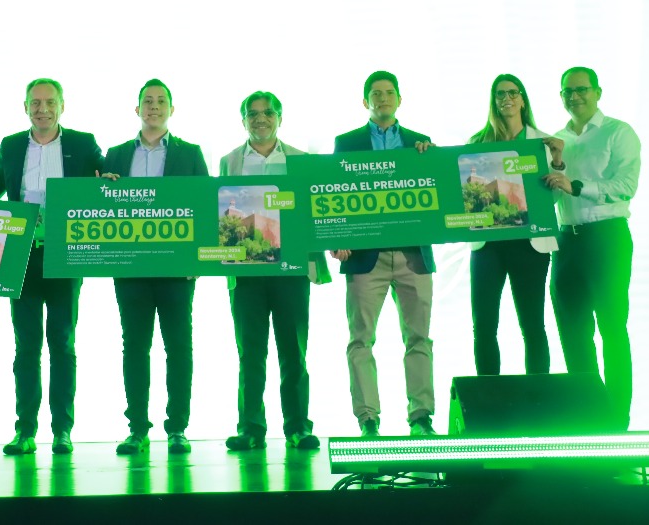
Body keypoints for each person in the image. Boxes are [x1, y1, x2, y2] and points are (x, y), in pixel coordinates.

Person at [0, 78, 104, 457]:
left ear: (62, 106)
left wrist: (109, 181)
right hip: (21, 257)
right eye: (35, 103)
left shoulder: (82, 144)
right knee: (26, 346)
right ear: (25, 107)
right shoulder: (10, 145)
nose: (42, 109)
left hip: (64, 255)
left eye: (49, 102)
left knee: (63, 343)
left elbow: (107, 181)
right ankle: (25, 430)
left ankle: (62, 430)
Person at [104, 79, 209, 455]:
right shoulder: (115, 155)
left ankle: (177, 427)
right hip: (129, 266)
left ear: (171, 109)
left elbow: (204, 205)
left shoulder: (191, 153)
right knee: (134, 346)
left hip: (177, 268)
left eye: (160, 101)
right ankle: (137, 428)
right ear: (137, 110)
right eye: (147, 101)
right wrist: (103, 188)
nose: (153, 106)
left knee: (179, 346)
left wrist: (198, 258)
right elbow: (100, 203)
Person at [331, 70, 437, 437]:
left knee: (419, 337)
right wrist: (337, 236)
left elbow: (435, 189)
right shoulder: (346, 143)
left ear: (399, 99)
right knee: (361, 339)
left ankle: (421, 417)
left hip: (413, 255)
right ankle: (368, 420)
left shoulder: (421, 143)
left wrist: (433, 160)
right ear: (366, 101)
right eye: (376, 93)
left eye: (389, 92)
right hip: (364, 257)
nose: (383, 98)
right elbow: (333, 192)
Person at [220, 90, 327, 452]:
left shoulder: (301, 160)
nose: (260, 119)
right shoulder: (229, 161)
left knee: (293, 352)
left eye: (267, 113)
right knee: (250, 353)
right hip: (246, 273)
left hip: (292, 270)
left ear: (280, 118)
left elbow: (315, 210)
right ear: (243, 121)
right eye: (253, 114)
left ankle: (297, 427)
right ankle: (251, 428)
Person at [543, 67, 641, 429]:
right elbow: (548, 194)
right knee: (572, 331)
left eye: (582, 89)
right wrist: (556, 167)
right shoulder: (555, 141)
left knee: (612, 328)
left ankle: (617, 421)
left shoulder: (618, 132)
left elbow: (626, 186)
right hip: (566, 240)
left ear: (598, 92)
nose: (575, 96)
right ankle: (588, 417)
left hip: (606, 238)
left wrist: (577, 186)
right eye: (567, 91)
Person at [466, 74, 564, 376]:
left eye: (512, 92)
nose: (506, 98)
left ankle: (539, 394)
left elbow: (554, 199)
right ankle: (489, 394)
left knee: (533, 324)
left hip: (530, 245)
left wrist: (557, 163)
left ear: (522, 99)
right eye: (499, 94)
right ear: (493, 101)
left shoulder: (544, 143)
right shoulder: (476, 143)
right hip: (488, 246)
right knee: (484, 325)